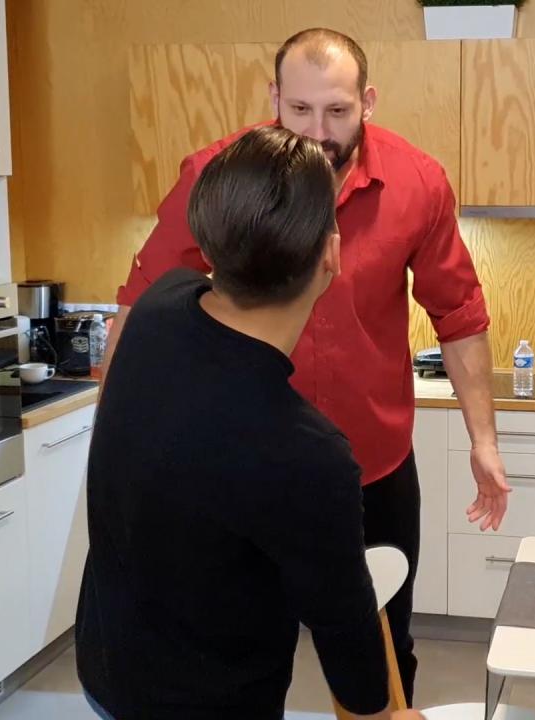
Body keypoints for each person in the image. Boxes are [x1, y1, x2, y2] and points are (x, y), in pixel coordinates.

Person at [104, 28, 509, 704]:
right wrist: (117, 437)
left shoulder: (418, 182)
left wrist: (484, 441)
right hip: (242, 464)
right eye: (299, 110)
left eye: (338, 111)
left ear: (368, 102)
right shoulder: (217, 176)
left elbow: (460, 313)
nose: (319, 133)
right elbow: (141, 303)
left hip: (373, 465)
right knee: (242, 647)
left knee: (380, 645)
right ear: (274, 99)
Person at [76, 127, 422, 720]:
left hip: (107, 669)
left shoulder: (160, 308)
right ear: (331, 255)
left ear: (212, 248)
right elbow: (355, 669)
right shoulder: (306, 453)